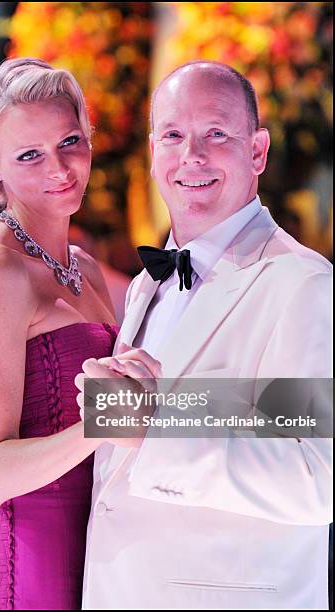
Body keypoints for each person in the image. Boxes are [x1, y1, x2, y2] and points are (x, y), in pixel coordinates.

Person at [79, 61, 333, 610]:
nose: (191, 155)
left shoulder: (301, 283)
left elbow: (316, 481)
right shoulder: (150, 283)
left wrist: (156, 430)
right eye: (173, 135)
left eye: (216, 133)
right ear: (153, 151)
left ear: (258, 152)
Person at [0, 57, 151, 611]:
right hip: (27, 564)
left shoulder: (82, 265)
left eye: (70, 141)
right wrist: (100, 425)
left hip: (103, 553)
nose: (60, 169)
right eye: (29, 154)